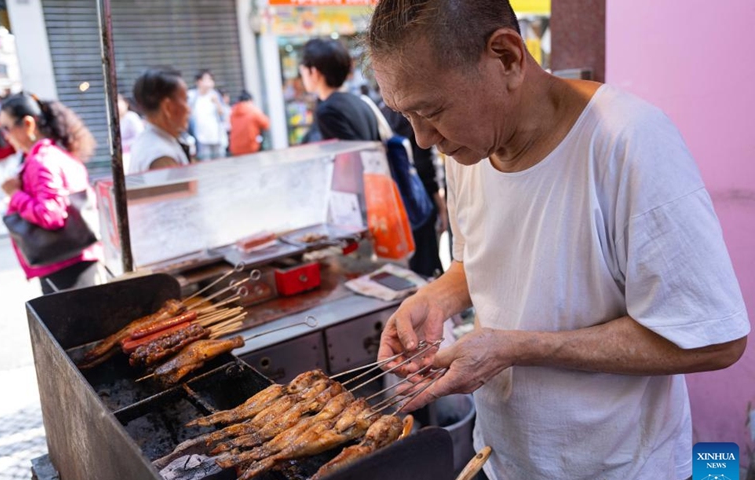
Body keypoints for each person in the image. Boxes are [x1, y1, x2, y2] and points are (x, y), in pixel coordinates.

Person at [368, 1, 749, 479]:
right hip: (501, 459)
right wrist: (436, 297)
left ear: (506, 57)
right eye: (406, 115)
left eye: (432, 111)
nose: (423, 139)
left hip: (618, 468)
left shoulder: (629, 142)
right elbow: (487, 260)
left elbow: (715, 340)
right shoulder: (468, 147)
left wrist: (516, 347)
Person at [0, 93, 101, 294]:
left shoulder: (42, 161)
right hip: (76, 261)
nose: (6, 136)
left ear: (27, 124)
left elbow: (50, 214)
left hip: (65, 267)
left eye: (7, 128)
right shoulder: (55, 153)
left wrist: (15, 194)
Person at [380, 105, 446, 277]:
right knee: (428, 258)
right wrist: (440, 202)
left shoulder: (384, 112)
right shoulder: (416, 106)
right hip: (421, 196)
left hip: (400, 199)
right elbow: (425, 160)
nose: (423, 138)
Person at [300, 38, 380, 142]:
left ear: (314, 72)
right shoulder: (360, 101)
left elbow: (344, 155)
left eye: (302, 70)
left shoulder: (328, 112)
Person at [129, 67, 192, 174]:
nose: (189, 109)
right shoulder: (161, 156)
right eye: (185, 100)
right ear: (168, 107)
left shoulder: (154, 142)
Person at [187, 69, 229, 161]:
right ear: (199, 81)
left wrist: (217, 102)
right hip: (201, 137)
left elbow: (223, 115)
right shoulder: (192, 96)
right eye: (207, 79)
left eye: (211, 79)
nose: (210, 82)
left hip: (217, 136)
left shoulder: (215, 95)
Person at [229, 90, 270, 156]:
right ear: (250, 100)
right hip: (251, 147)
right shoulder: (253, 110)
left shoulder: (232, 112)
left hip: (235, 148)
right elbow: (266, 124)